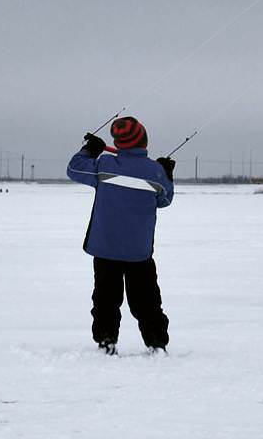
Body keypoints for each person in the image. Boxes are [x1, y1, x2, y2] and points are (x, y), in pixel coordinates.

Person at [67, 116, 175, 354]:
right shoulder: (155, 172)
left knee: (106, 299)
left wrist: (89, 150)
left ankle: (106, 341)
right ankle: (156, 343)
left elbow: (74, 168)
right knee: (147, 301)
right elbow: (165, 200)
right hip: (139, 253)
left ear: (119, 143)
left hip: (106, 249)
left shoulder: (105, 165)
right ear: (144, 141)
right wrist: (167, 174)